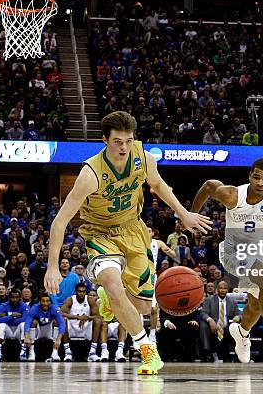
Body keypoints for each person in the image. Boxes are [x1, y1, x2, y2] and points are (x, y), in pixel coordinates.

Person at [45, 111, 211, 375]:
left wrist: (184, 213)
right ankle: (147, 351)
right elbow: (60, 221)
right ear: (105, 140)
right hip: (100, 234)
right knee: (112, 283)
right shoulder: (90, 174)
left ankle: (110, 300)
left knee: (144, 306)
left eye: (128, 140)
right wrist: (52, 266)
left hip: (134, 230)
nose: (124, 147)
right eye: (117, 142)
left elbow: (160, 185)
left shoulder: (143, 158)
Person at [191, 158, 263, 363]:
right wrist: (192, 215)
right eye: (256, 177)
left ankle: (241, 333)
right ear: (250, 176)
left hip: (262, 249)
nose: (260, 183)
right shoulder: (232, 195)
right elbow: (208, 185)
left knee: (257, 304)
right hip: (234, 250)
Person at [198, 281, 240, 362]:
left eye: (225, 288)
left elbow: (239, 314)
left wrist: (238, 316)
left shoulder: (232, 301)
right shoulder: (209, 300)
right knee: (203, 324)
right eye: (221, 288)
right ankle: (207, 352)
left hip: (226, 327)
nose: (223, 290)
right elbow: (203, 313)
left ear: (228, 290)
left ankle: (236, 354)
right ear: (217, 289)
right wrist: (210, 320)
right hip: (213, 327)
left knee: (235, 327)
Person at [147, 226, 176, 344]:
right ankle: (137, 337)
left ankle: (152, 335)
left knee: (154, 309)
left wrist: (171, 251)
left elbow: (172, 253)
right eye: (145, 230)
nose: (147, 232)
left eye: (149, 231)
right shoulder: (137, 241)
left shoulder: (157, 243)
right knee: (137, 309)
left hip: (152, 277)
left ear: (153, 233)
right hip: (138, 278)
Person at [60, 282, 103, 361]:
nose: (82, 293)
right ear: (76, 291)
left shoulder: (90, 300)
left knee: (97, 321)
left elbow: (98, 316)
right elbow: (61, 314)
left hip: (86, 325)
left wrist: (87, 317)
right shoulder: (70, 300)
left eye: (84, 291)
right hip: (72, 325)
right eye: (80, 291)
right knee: (63, 320)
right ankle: (68, 352)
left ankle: (92, 352)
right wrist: (77, 317)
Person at [23, 293, 65, 362]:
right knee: (33, 322)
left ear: (50, 302)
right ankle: (31, 352)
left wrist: (58, 339)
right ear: (39, 302)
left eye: (47, 301)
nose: (45, 303)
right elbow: (27, 322)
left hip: (49, 329)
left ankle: (55, 352)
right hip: (38, 330)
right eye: (43, 301)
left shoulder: (54, 308)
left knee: (56, 322)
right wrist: (26, 336)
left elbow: (62, 323)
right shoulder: (34, 308)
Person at [0, 289, 29, 361]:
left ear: (20, 298)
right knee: (2, 325)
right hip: (8, 330)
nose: (15, 299)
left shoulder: (24, 306)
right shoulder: (4, 306)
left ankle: (23, 352)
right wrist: (11, 316)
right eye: (13, 297)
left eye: (17, 297)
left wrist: (8, 319)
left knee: (23, 324)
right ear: (9, 298)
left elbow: (26, 319)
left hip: (18, 331)